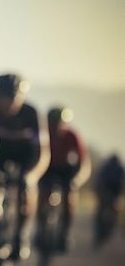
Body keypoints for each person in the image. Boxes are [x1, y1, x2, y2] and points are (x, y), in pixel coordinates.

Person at [0, 73, 50, 261]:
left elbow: (43, 154)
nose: (8, 102)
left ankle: (21, 234)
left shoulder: (31, 114)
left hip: (26, 156)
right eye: (3, 96)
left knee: (27, 189)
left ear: (22, 97)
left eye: (13, 97)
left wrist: (32, 176)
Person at [36, 106, 91, 252]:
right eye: (53, 123)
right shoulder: (44, 133)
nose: (56, 127)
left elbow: (84, 163)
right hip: (47, 168)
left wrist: (78, 179)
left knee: (70, 198)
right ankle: (40, 227)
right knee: (42, 194)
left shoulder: (72, 136)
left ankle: (64, 232)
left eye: (59, 123)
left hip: (65, 170)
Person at [93, 153, 124, 248]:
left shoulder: (120, 169)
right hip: (105, 188)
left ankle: (111, 226)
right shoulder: (106, 167)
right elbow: (100, 181)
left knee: (114, 209)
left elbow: (122, 183)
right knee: (101, 209)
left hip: (115, 190)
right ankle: (99, 230)